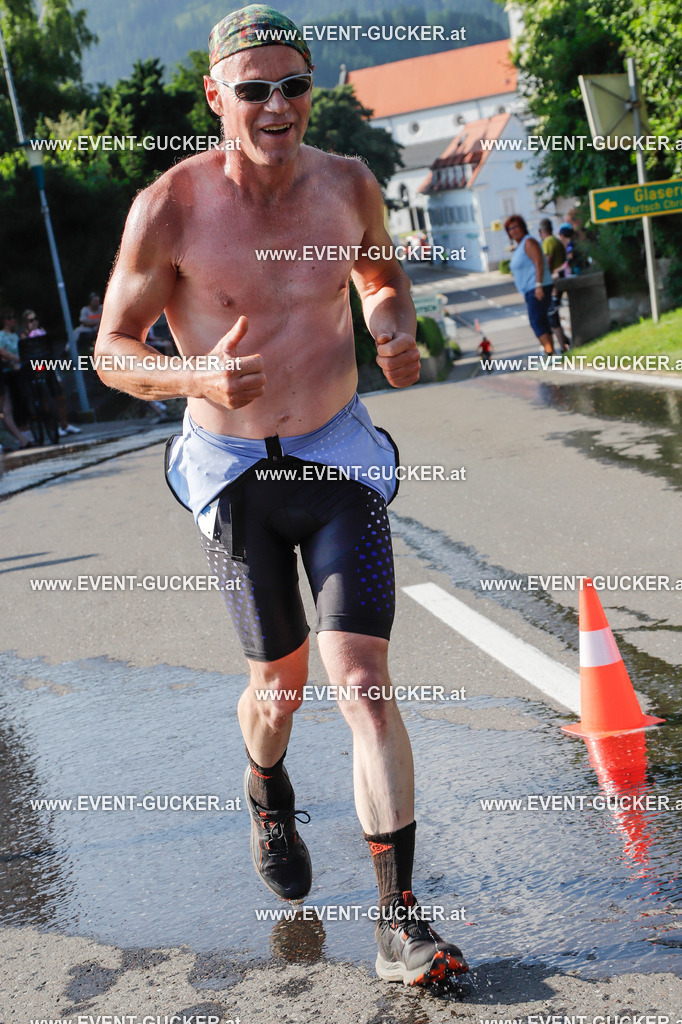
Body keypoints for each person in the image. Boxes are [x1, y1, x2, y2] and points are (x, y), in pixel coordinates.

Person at [95, 3, 468, 990]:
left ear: (313, 93)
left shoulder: (347, 182)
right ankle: (266, 786)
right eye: (253, 88)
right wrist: (195, 381)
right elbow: (110, 353)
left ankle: (398, 926)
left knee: (362, 682)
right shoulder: (168, 207)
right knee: (281, 689)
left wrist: (391, 323)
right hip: (234, 475)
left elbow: (379, 271)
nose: (276, 105)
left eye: (292, 86)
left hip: (337, 458)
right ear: (216, 97)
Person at [20, 310, 81, 436]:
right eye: (31, 320)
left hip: (49, 365)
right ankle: (52, 426)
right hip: (34, 368)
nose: (34, 322)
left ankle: (65, 424)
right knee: (43, 398)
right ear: (26, 323)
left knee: (59, 394)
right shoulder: (24, 336)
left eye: (35, 319)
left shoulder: (43, 332)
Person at [504, 214, 554, 356]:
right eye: (509, 229)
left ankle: (550, 353)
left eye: (515, 226)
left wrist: (538, 285)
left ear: (523, 227)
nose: (513, 231)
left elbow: (538, 262)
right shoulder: (520, 246)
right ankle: (551, 352)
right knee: (541, 320)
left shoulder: (529, 242)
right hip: (530, 289)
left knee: (536, 321)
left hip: (536, 287)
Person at [538, 219, 570, 352]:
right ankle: (564, 341)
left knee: (552, 315)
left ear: (541, 232)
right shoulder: (557, 241)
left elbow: (547, 263)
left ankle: (563, 345)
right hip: (561, 281)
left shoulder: (547, 243)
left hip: (553, 284)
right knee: (553, 314)